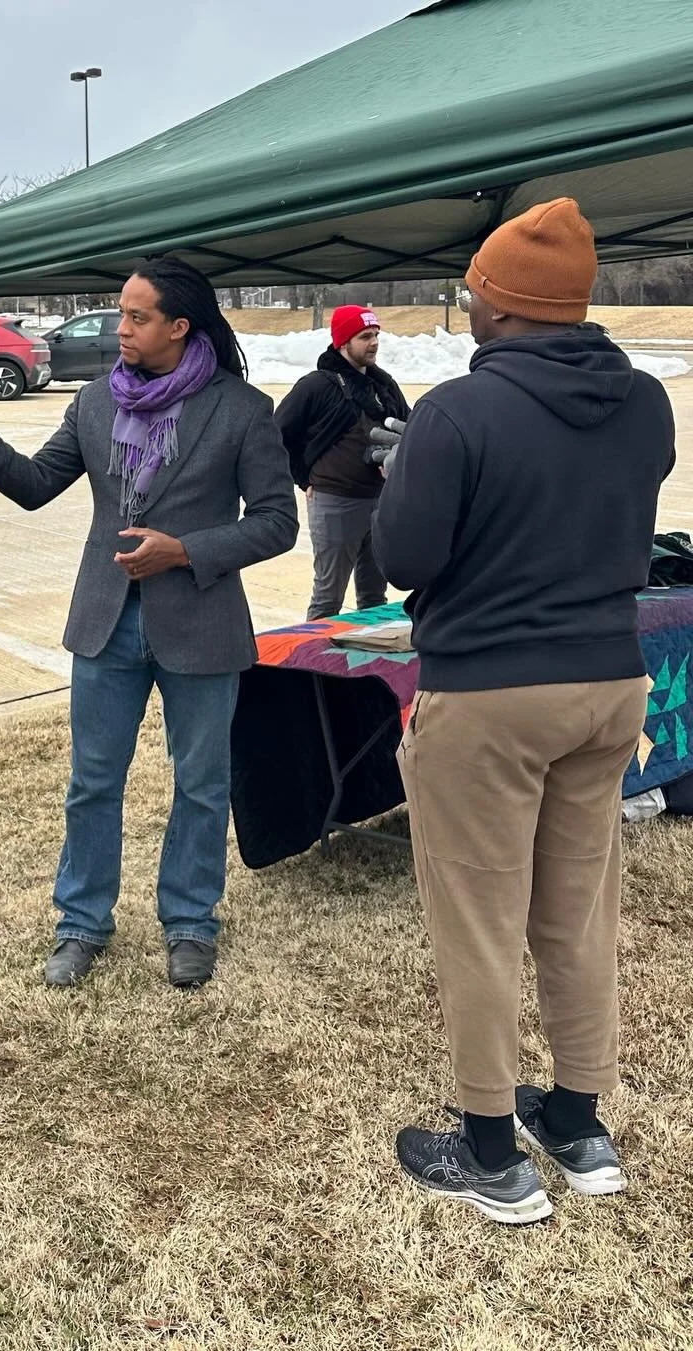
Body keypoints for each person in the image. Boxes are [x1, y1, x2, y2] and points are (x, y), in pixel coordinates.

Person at [374, 198, 675, 1224]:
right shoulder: (646, 402)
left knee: (480, 919)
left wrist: (406, 479)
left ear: (499, 305)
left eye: (473, 293)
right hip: (609, 681)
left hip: (491, 692)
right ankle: (579, 1123)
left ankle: (492, 1151)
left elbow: (405, 555)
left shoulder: (457, 412)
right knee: (578, 910)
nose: (467, 308)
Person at [0, 258, 298, 990]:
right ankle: (81, 922)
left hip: (201, 619)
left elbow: (278, 521)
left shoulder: (241, 408)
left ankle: (190, 921)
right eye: (120, 313)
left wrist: (184, 550)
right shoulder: (94, 402)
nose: (119, 328)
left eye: (136, 316)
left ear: (179, 327)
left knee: (201, 782)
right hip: (105, 622)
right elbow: (35, 484)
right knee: (92, 780)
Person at [275, 305, 410, 620]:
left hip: (380, 501)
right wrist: (302, 478)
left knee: (374, 598)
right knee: (328, 597)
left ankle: (370, 651)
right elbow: (276, 434)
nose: (373, 343)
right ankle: (314, 653)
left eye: (376, 335)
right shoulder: (317, 386)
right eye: (365, 337)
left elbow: (410, 427)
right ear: (342, 342)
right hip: (335, 502)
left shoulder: (384, 386)